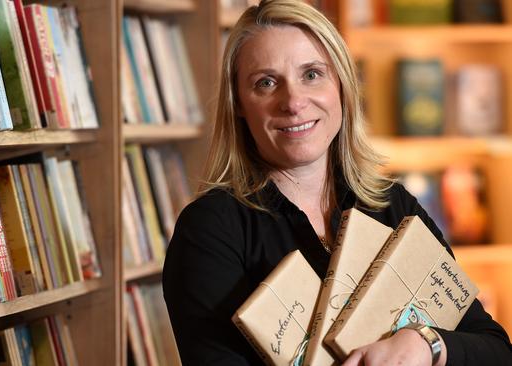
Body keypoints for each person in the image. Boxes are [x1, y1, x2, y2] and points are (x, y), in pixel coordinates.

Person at [162, 0, 512, 365]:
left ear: (342, 84)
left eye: (312, 74)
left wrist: (427, 346)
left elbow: (497, 350)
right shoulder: (210, 230)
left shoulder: (392, 205)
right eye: (266, 83)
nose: (294, 101)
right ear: (239, 103)